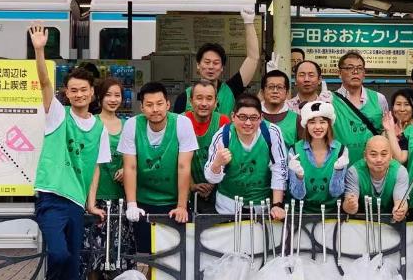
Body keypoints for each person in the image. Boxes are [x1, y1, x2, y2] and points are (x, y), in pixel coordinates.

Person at [28, 24, 111, 280]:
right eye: (73, 89)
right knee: (60, 255)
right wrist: (39, 50)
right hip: (51, 195)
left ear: (93, 94)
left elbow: (94, 171)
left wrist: (91, 203)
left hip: (77, 202)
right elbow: (44, 81)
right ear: (67, 92)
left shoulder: (99, 129)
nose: (79, 94)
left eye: (84, 90)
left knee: (74, 263)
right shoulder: (57, 115)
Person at [119, 82, 197, 254]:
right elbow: (130, 167)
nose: (155, 109)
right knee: (144, 256)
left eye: (160, 103)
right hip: (143, 201)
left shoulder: (182, 123)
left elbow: (184, 166)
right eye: (149, 104)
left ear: (168, 104)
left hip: (173, 201)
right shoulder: (132, 125)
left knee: (176, 256)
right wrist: (132, 204)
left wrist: (182, 206)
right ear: (142, 108)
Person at [83, 77, 136, 280]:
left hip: (120, 198)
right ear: (99, 96)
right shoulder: (91, 122)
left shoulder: (128, 125)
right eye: (108, 95)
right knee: (94, 248)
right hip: (95, 195)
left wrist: (127, 168)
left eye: (118, 95)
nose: (113, 100)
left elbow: (135, 156)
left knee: (118, 249)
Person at [204, 93, 287, 219]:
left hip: (262, 206)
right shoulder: (223, 136)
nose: (248, 123)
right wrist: (217, 164)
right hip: (228, 207)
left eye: (254, 118)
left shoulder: (272, 133)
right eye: (242, 117)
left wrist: (277, 204)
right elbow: (211, 178)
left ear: (261, 118)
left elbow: (279, 169)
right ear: (233, 116)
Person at [172, 7, 259, 115]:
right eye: (207, 62)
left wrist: (249, 23)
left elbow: (252, 58)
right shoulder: (184, 97)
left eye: (216, 63)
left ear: (222, 67)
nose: (211, 67)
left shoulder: (230, 90)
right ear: (198, 65)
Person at [287, 101, 349, 214]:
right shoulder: (294, 151)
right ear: (306, 125)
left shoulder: (341, 151)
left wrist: (338, 171)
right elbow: (297, 195)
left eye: (322, 122)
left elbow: (336, 193)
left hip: (333, 214)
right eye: (312, 122)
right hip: (302, 214)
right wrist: (299, 176)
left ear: (329, 124)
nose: (317, 127)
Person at [331, 51, 389, 164]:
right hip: (340, 165)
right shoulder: (330, 101)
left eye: (359, 68)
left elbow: (386, 132)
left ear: (364, 73)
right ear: (339, 73)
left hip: (373, 167)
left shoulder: (379, 98)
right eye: (349, 68)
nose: (355, 72)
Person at [185, 80, 230, 212]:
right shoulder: (182, 121)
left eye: (209, 98)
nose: (204, 103)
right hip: (187, 188)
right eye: (199, 98)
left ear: (216, 102)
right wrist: (192, 185)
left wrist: (212, 183)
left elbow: (228, 158)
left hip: (219, 189)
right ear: (190, 101)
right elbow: (177, 159)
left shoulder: (223, 122)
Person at [343, 135, 410, 222]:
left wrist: (400, 211)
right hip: (361, 224)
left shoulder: (400, 171)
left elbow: (400, 202)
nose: (379, 159)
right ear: (365, 156)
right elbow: (349, 207)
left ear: (391, 156)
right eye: (373, 154)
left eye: (384, 154)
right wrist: (350, 206)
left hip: (390, 224)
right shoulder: (354, 171)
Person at [261, 70, 299, 149]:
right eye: (271, 87)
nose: (275, 91)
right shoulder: (252, 118)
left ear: (287, 93)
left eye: (280, 87)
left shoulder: (297, 119)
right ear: (262, 92)